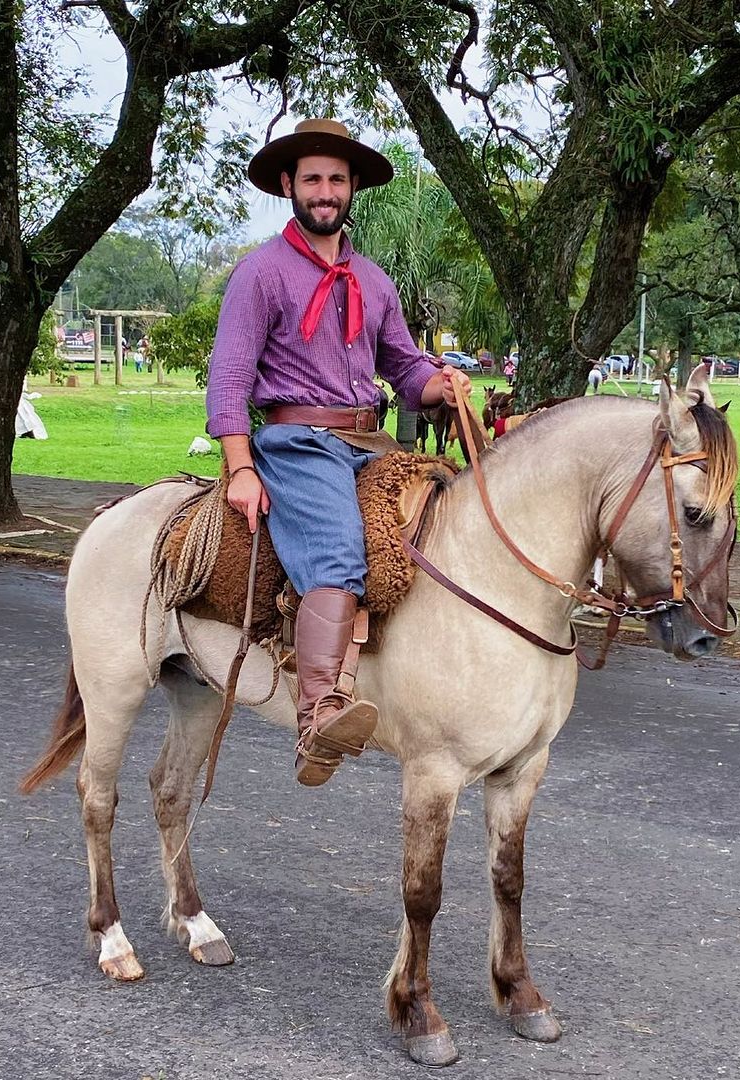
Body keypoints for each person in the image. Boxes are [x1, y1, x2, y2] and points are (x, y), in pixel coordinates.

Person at [205, 117, 471, 787]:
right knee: (338, 549)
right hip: (297, 441)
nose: (326, 191)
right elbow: (230, 381)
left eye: (337, 180)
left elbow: (405, 368)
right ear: (290, 186)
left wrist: (441, 383)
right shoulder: (260, 273)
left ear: (353, 190)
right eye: (314, 179)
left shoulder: (374, 282)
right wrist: (241, 468)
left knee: (447, 520)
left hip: (368, 438)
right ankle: (318, 714)